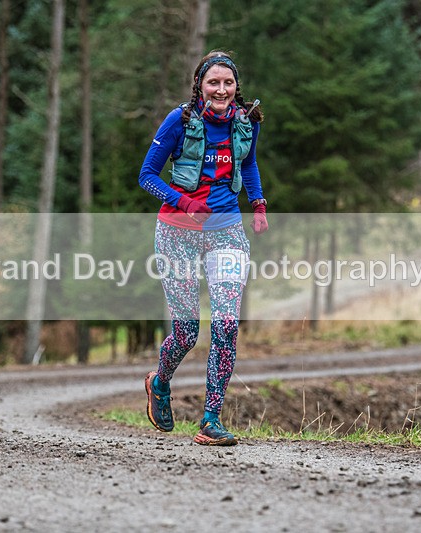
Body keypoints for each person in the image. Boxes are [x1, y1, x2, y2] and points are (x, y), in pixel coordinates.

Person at [138, 50, 268, 446]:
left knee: (226, 325)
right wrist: (185, 202)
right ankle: (160, 382)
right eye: (214, 82)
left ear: (236, 86)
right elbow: (147, 176)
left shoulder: (246, 121)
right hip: (176, 231)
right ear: (200, 85)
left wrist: (258, 203)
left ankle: (211, 419)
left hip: (227, 231)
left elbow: (248, 164)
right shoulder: (179, 120)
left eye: (228, 82)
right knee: (187, 331)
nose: (221, 89)